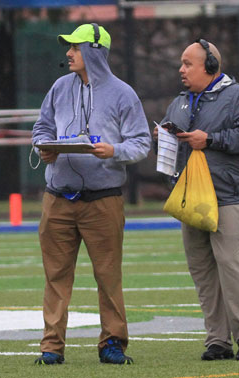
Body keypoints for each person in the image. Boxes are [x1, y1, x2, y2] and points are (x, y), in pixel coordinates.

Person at [32, 23, 151, 365]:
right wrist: (43, 147)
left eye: (76, 47)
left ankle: (112, 343)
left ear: (95, 52)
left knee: (108, 275)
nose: (68, 53)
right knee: (55, 276)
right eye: (69, 47)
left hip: (103, 200)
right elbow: (42, 128)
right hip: (57, 197)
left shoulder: (123, 94)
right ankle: (51, 346)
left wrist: (113, 151)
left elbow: (141, 142)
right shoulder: (58, 88)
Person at [153, 39, 239, 361]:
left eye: (188, 63)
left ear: (211, 66)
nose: (181, 69)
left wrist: (211, 139)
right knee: (201, 269)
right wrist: (166, 138)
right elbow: (179, 145)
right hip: (191, 198)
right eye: (182, 63)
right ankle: (217, 340)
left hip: (229, 195)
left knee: (230, 263)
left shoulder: (238, 96)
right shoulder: (179, 102)